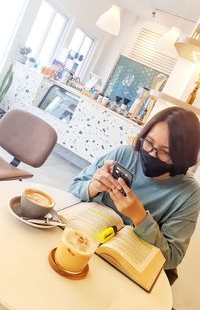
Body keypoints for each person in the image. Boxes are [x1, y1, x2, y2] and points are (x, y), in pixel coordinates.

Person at [67, 106, 200, 284]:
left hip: (124, 270)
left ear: (182, 156)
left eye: (165, 152)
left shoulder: (189, 194)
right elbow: (73, 187)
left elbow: (173, 257)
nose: (151, 153)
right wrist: (93, 187)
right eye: (149, 142)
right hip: (84, 241)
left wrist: (139, 217)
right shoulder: (124, 154)